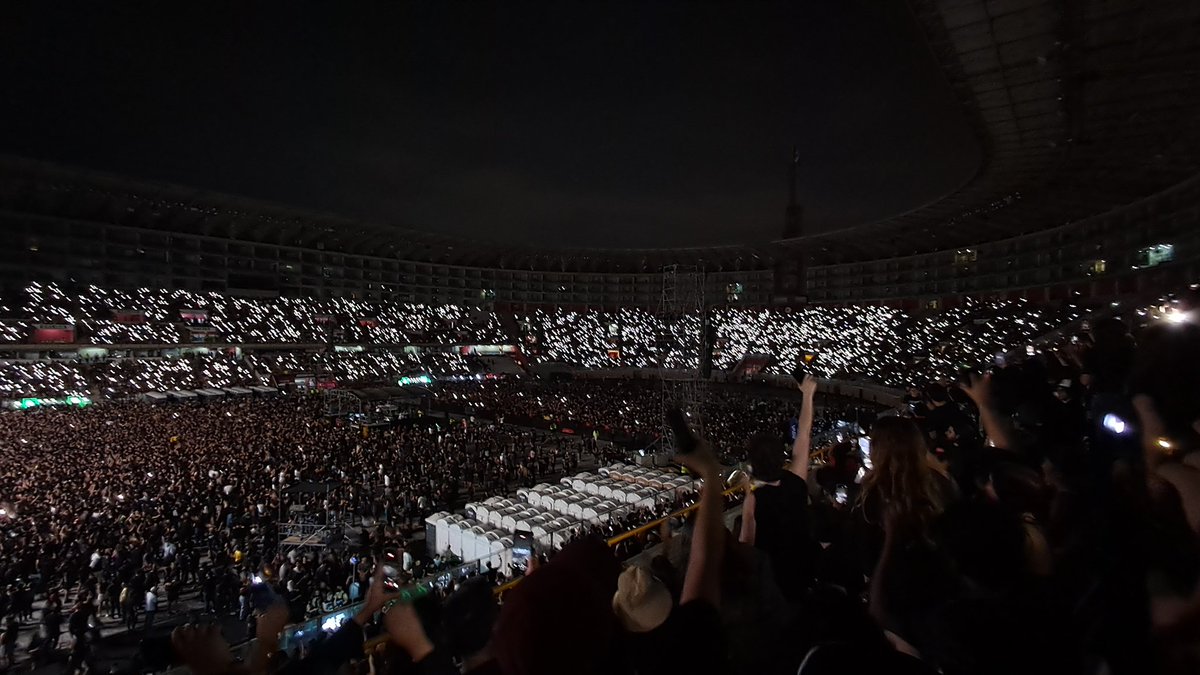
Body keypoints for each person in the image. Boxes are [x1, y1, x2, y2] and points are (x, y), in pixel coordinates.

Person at [741, 376, 819, 599]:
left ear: (751, 465)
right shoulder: (796, 481)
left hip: (774, 580)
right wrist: (807, 395)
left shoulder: (754, 500)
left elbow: (746, 546)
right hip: (803, 570)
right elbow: (803, 435)